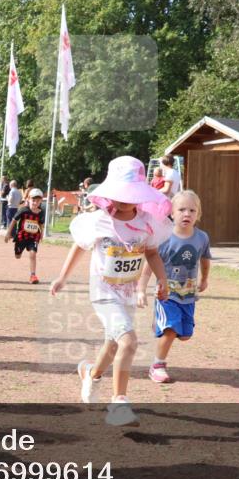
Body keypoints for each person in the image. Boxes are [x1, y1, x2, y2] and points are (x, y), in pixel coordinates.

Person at [50, 156, 172, 427]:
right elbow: (80, 246)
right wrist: (62, 277)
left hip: (126, 293)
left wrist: (161, 279)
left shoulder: (147, 222)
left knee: (114, 343)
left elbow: (152, 252)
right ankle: (119, 403)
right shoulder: (98, 221)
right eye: (119, 194)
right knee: (129, 341)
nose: (123, 200)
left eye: (130, 195)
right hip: (103, 293)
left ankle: (90, 374)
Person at [137, 190, 211, 384]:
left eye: (192, 210)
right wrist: (141, 290)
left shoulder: (202, 237)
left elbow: (204, 259)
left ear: (198, 214)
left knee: (184, 335)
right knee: (170, 330)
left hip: (188, 294)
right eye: (182, 209)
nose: (187, 214)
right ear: (172, 213)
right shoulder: (164, 238)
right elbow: (148, 268)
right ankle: (157, 366)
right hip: (166, 295)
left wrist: (204, 279)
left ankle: (160, 322)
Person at [5, 188, 45, 284]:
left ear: (41, 202)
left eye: (38, 201)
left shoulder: (41, 212)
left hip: (34, 237)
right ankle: (18, 250)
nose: (35, 203)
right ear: (28, 199)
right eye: (33, 200)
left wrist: (42, 234)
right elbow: (14, 220)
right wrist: (8, 233)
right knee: (17, 256)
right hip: (22, 237)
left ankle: (33, 275)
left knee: (33, 254)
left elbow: (40, 224)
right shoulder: (23, 210)